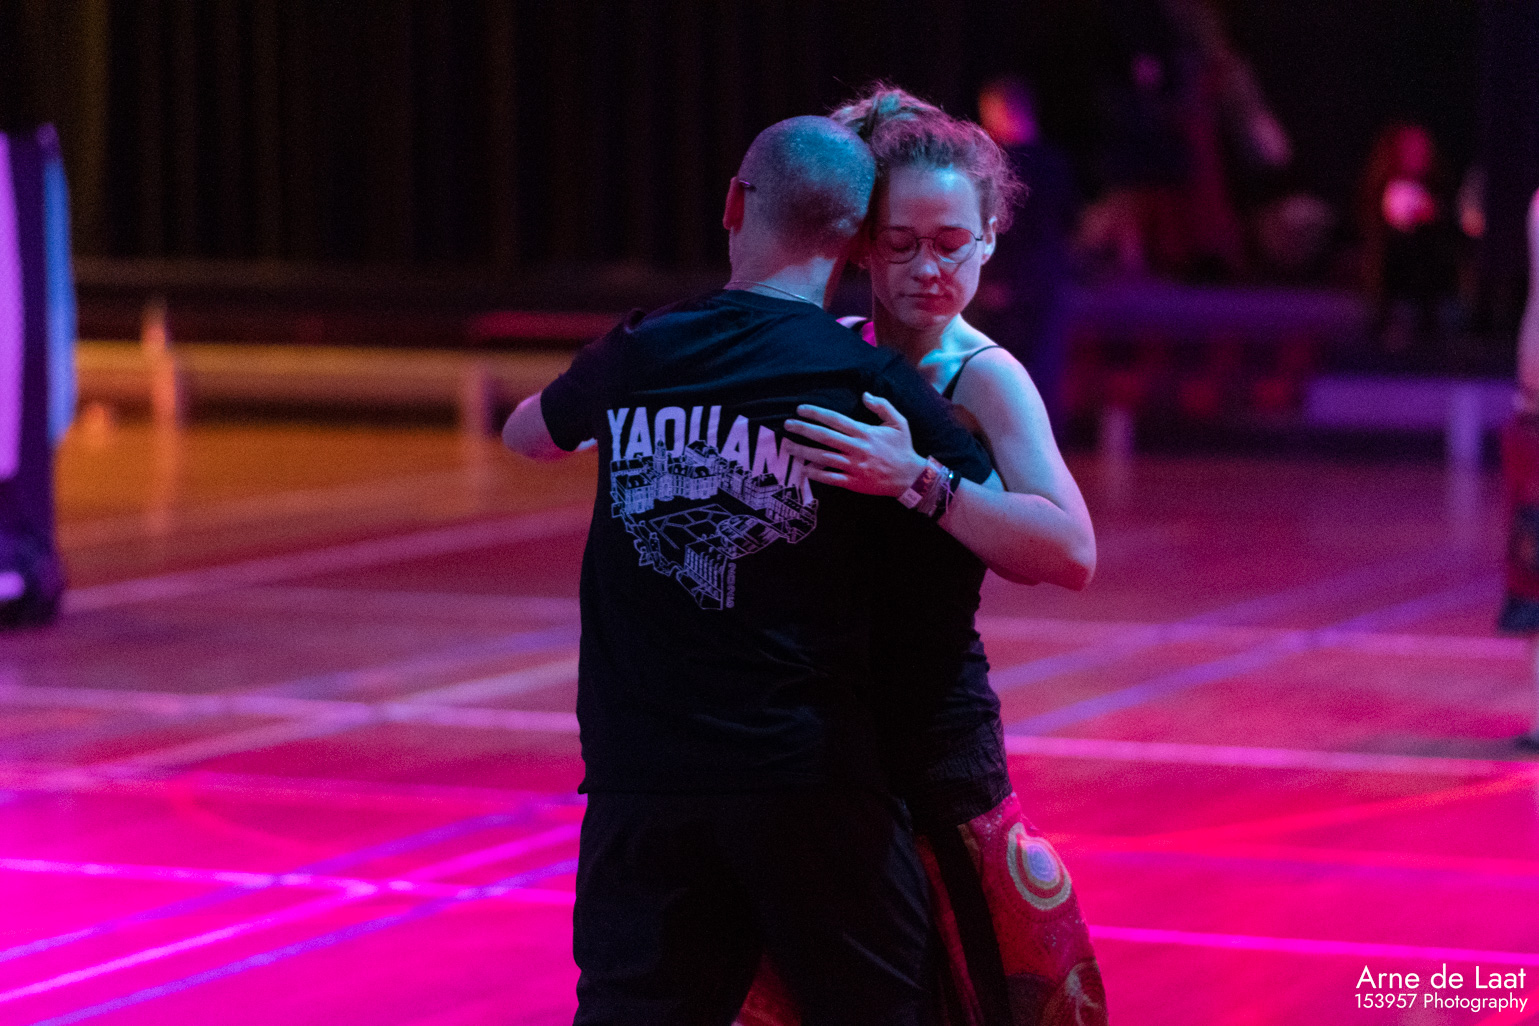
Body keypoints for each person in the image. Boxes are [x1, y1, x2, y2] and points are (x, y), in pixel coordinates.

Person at [502, 115, 995, 1026]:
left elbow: (525, 434)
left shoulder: (640, 351)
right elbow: (1004, 527)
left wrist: (616, 399)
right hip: (810, 784)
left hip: (642, 782)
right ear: (855, 240)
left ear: (733, 203)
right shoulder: (870, 383)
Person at [774, 85, 1108, 1025]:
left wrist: (921, 480)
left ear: (990, 237)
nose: (928, 268)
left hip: (932, 748)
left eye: (951, 243)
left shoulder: (985, 378)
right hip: (824, 745)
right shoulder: (825, 351)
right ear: (860, 245)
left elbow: (1069, 551)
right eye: (901, 244)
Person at [974, 76, 1076, 433]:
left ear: (1003, 111)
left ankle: (1005, 442)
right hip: (1049, 280)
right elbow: (1069, 224)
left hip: (1008, 284)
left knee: (1002, 368)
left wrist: (996, 279)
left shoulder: (1001, 167)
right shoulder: (1056, 163)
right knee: (1043, 368)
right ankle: (1044, 444)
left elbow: (1004, 230)